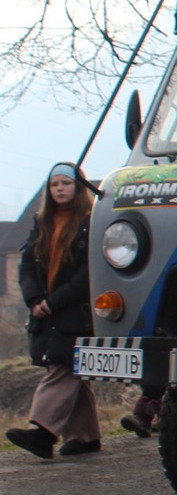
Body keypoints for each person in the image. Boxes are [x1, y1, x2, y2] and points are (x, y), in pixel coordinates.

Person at [8, 163, 102, 459]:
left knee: (62, 364)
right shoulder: (41, 223)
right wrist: (34, 299)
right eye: (54, 184)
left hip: (76, 311)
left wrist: (54, 302)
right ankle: (86, 437)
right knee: (70, 368)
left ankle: (43, 432)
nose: (60, 188)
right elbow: (26, 266)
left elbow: (88, 273)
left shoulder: (92, 222)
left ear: (78, 186)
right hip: (46, 312)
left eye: (66, 183)